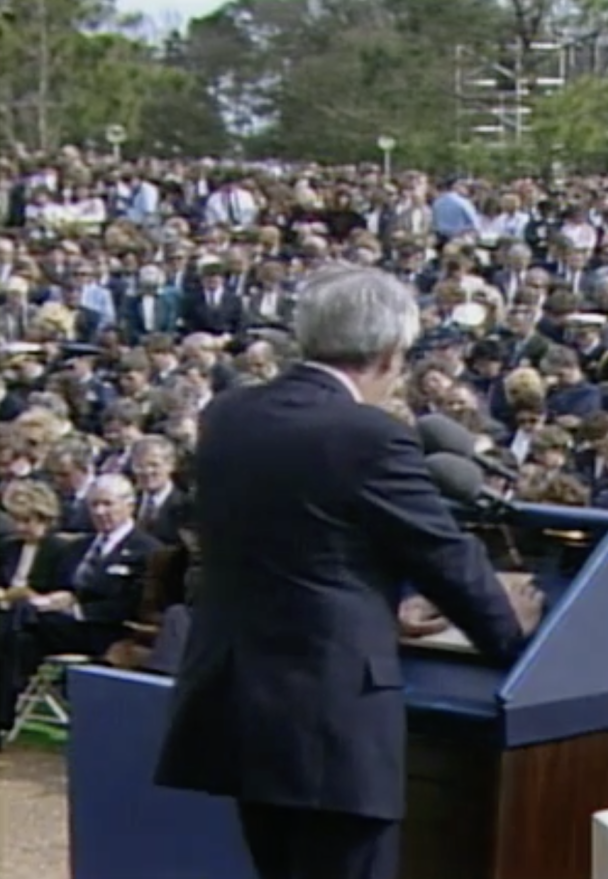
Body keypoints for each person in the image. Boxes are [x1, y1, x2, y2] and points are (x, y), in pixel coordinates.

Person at [154, 265, 545, 879]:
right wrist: (516, 640)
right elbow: (443, 553)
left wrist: (380, 607)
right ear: (392, 353)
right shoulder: (367, 434)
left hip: (241, 705)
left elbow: (300, 545)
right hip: (329, 719)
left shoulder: (228, 415)